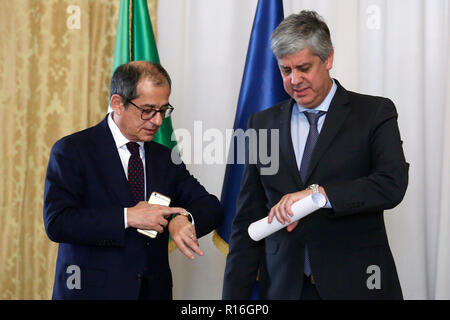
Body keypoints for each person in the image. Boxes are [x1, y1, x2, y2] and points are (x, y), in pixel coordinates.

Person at [223, 11, 409, 300]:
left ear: (328, 59)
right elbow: (247, 219)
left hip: (358, 286)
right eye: (286, 70)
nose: (295, 80)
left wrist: (317, 195)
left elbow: (391, 184)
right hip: (285, 289)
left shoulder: (374, 113)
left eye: (304, 67)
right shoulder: (262, 123)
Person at [43, 61, 223, 300]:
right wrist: (128, 217)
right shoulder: (73, 150)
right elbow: (58, 222)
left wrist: (183, 219)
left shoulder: (165, 158)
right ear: (118, 104)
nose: (157, 121)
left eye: (163, 110)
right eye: (147, 110)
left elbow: (210, 206)